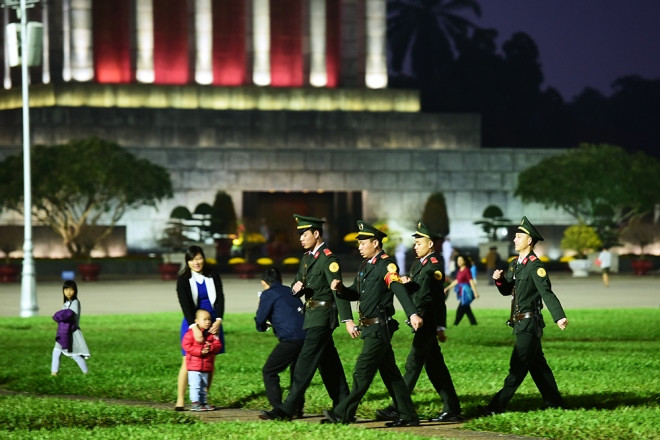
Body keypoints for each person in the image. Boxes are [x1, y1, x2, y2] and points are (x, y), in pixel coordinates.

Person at [323, 220, 423, 428]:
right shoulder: (366, 267)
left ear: (375, 243)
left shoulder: (387, 265)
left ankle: (342, 413)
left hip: (380, 328)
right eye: (358, 244)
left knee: (362, 372)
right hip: (370, 328)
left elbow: (398, 289)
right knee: (391, 375)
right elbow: (356, 293)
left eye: (362, 243)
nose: (359, 247)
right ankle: (408, 415)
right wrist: (341, 288)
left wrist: (412, 313)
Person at [259, 215, 349, 420]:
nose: (300, 238)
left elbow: (338, 291)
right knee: (329, 366)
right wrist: (296, 288)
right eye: (299, 234)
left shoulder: (328, 258)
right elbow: (297, 284)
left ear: (316, 234)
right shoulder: (308, 258)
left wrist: (347, 319)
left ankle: (286, 410)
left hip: (323, 317)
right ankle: (344, 407)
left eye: (304, 234)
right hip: (310, 316)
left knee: (303, 365)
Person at [375, 221, 462, 423]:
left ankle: (398, 407)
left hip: (428, 320)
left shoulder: (434, 266)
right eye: (415, 243)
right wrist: (407, 284)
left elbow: (436, 298)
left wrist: (440, 325)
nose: (415, 246)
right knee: (435, 367)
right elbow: (417, 291)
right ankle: (452, 409)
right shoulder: (418, 264)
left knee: (413, 363)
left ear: (430, 244)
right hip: (422, 319)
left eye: (419, 242)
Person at [480, 216, 568, 416]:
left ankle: (495, 407)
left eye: (519, 236)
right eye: (515, 236)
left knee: (517, 367)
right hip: (520, 323)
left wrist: (559, 316)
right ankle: (555, 403)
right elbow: (507, 289)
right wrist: (500, 280)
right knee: (539, 368)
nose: (514, 239)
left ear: (529, 241)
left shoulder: (535, 266)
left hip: (529, 323)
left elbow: (547, 293)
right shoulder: (515, 264)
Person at [175, 245, 225, 411]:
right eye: (192, 259)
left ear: (203, 258)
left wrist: (219, 320)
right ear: (187, 261)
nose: (196, 262)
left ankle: (202, 400)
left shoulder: (212, 274)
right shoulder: (183, 279)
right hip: (193, 322)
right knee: (187, 361)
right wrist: (194, 327)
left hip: (212, 322)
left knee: (210, 361)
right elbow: (185, 305)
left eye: (199, 258)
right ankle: (180, 400)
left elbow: (220, 298)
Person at [255, 267, 306, 417]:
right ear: (281, 280)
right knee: (296, 373)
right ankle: (297, 408)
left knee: (269, 371)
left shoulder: (268, 293)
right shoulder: (290, 291)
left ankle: (279, 408)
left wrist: (262, 325)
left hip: (290, 339)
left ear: (263, 282)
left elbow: (260, 320)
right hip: (306, 336)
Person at [181, 309, 223, 411]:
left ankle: (203, 402)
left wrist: (210, 348)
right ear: (196, 321)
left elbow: (218, 345)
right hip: (194, 366)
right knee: (195, 386)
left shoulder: (212, 334)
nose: (208, 321)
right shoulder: (191, 333)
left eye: (209, 319)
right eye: (204, 319)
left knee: (203, 386)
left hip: (206, 366)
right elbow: (186, 346)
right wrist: (200, 351)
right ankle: (195, 403)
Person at [51, 280, 90, 375]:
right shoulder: (65, 303)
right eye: (66, 289)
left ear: (75, 291)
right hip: (63, 333)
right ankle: (54, 373)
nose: (68, 292)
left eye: (71, 289)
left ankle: (87, 373)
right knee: (56, 352)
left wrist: (58, 315)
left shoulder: (75, 302)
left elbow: (69, 314)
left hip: (71, 333)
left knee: (75, 355)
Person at [444, 254, 480, 326]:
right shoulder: (460, 270)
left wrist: (475, 292)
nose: (459, 262)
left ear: (465, 261)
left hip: (466, 293)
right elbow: (457, 281)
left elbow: (471, 281)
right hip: (461, 293)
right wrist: (447, 288)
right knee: (467, 310)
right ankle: (474, 323)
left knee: (460, 309)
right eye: (458, 260)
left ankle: (455, 324)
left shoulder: (466, 270)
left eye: (461, 260)